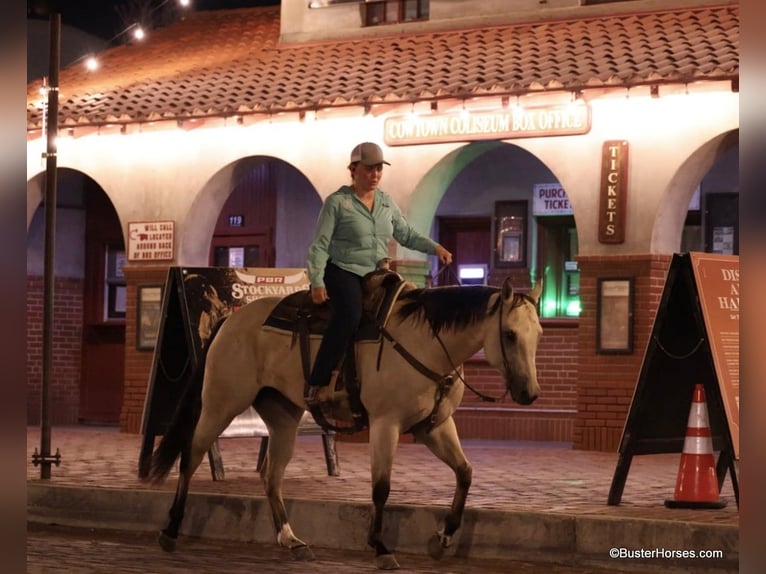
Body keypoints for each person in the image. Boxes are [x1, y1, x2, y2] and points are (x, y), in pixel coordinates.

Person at [305, 142, 452, 417]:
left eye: (378, 169)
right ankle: (319, 381)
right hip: (343, 271)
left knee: (407, 309)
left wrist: (436, 248)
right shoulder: (337, 203)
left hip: (378, 273)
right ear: (353, 169)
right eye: (369, 168)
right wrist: (317, 281)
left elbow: (406, 234)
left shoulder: (386, 202)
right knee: (349, 314)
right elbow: (320, 246)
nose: (375, 174)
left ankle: (382, 381)